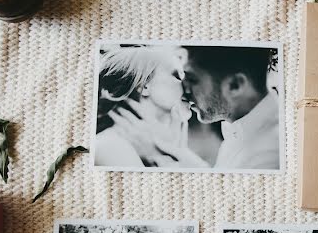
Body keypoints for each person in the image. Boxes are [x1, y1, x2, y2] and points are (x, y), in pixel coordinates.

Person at [109, 46, 281, 170]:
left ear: (235, 86)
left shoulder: (270, 153)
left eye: (192, 79)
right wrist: (175, 152)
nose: (185, 90)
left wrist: (158, 157)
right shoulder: (236, 130)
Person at [94, 45, 194, 168]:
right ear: (144, 85)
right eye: (177, 76)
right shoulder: (110, 146)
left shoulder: (172, 141)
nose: (188, 84)